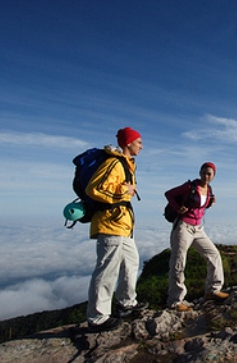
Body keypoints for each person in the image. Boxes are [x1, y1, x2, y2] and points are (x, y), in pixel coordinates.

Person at [86, 127, 148, 331]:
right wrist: (125, 190)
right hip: (111, 225)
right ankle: (98, 318)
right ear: (128, 143)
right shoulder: (114, 163)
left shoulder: (127, 165)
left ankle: (126, 303)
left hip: (122, 227)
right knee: (106, 271)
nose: (141, 145)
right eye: (138, 142)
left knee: (131, 264)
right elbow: (94, 189)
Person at [165, 162, 228, 311]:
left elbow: (199, 206)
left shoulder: (209, 190)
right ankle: (175, 301)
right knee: (178, 262)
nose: (206, 176)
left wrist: (210, 203)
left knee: (214, 255)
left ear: (214, 176)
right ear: (199, 173)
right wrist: (177, 208)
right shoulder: (190, 187)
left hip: (198, 229)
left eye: (209, 174)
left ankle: (213, 290)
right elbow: (169, 194)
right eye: (204, 172)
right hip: (183, 227)